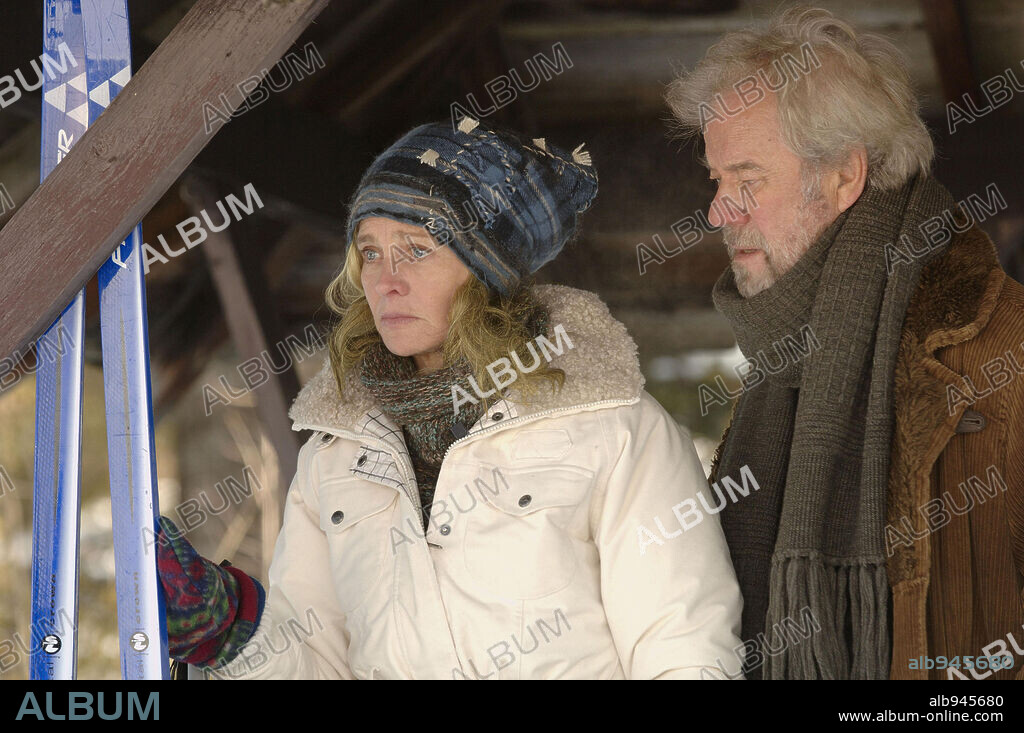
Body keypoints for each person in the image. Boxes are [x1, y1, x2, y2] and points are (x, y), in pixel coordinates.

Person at [156, 117, 743, 679]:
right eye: (370, 251)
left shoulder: (615, 430)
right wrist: (230, 628)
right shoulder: (333, 456)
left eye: (416, 248)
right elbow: (317, 662)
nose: (386, 279)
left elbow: (683, 648)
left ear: (486, 271)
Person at [665, 5, 1024, 680]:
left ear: (843, 177)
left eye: (746, 179)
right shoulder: (779, 368)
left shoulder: (1004, 349)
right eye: (717, 182)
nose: (717, 210)